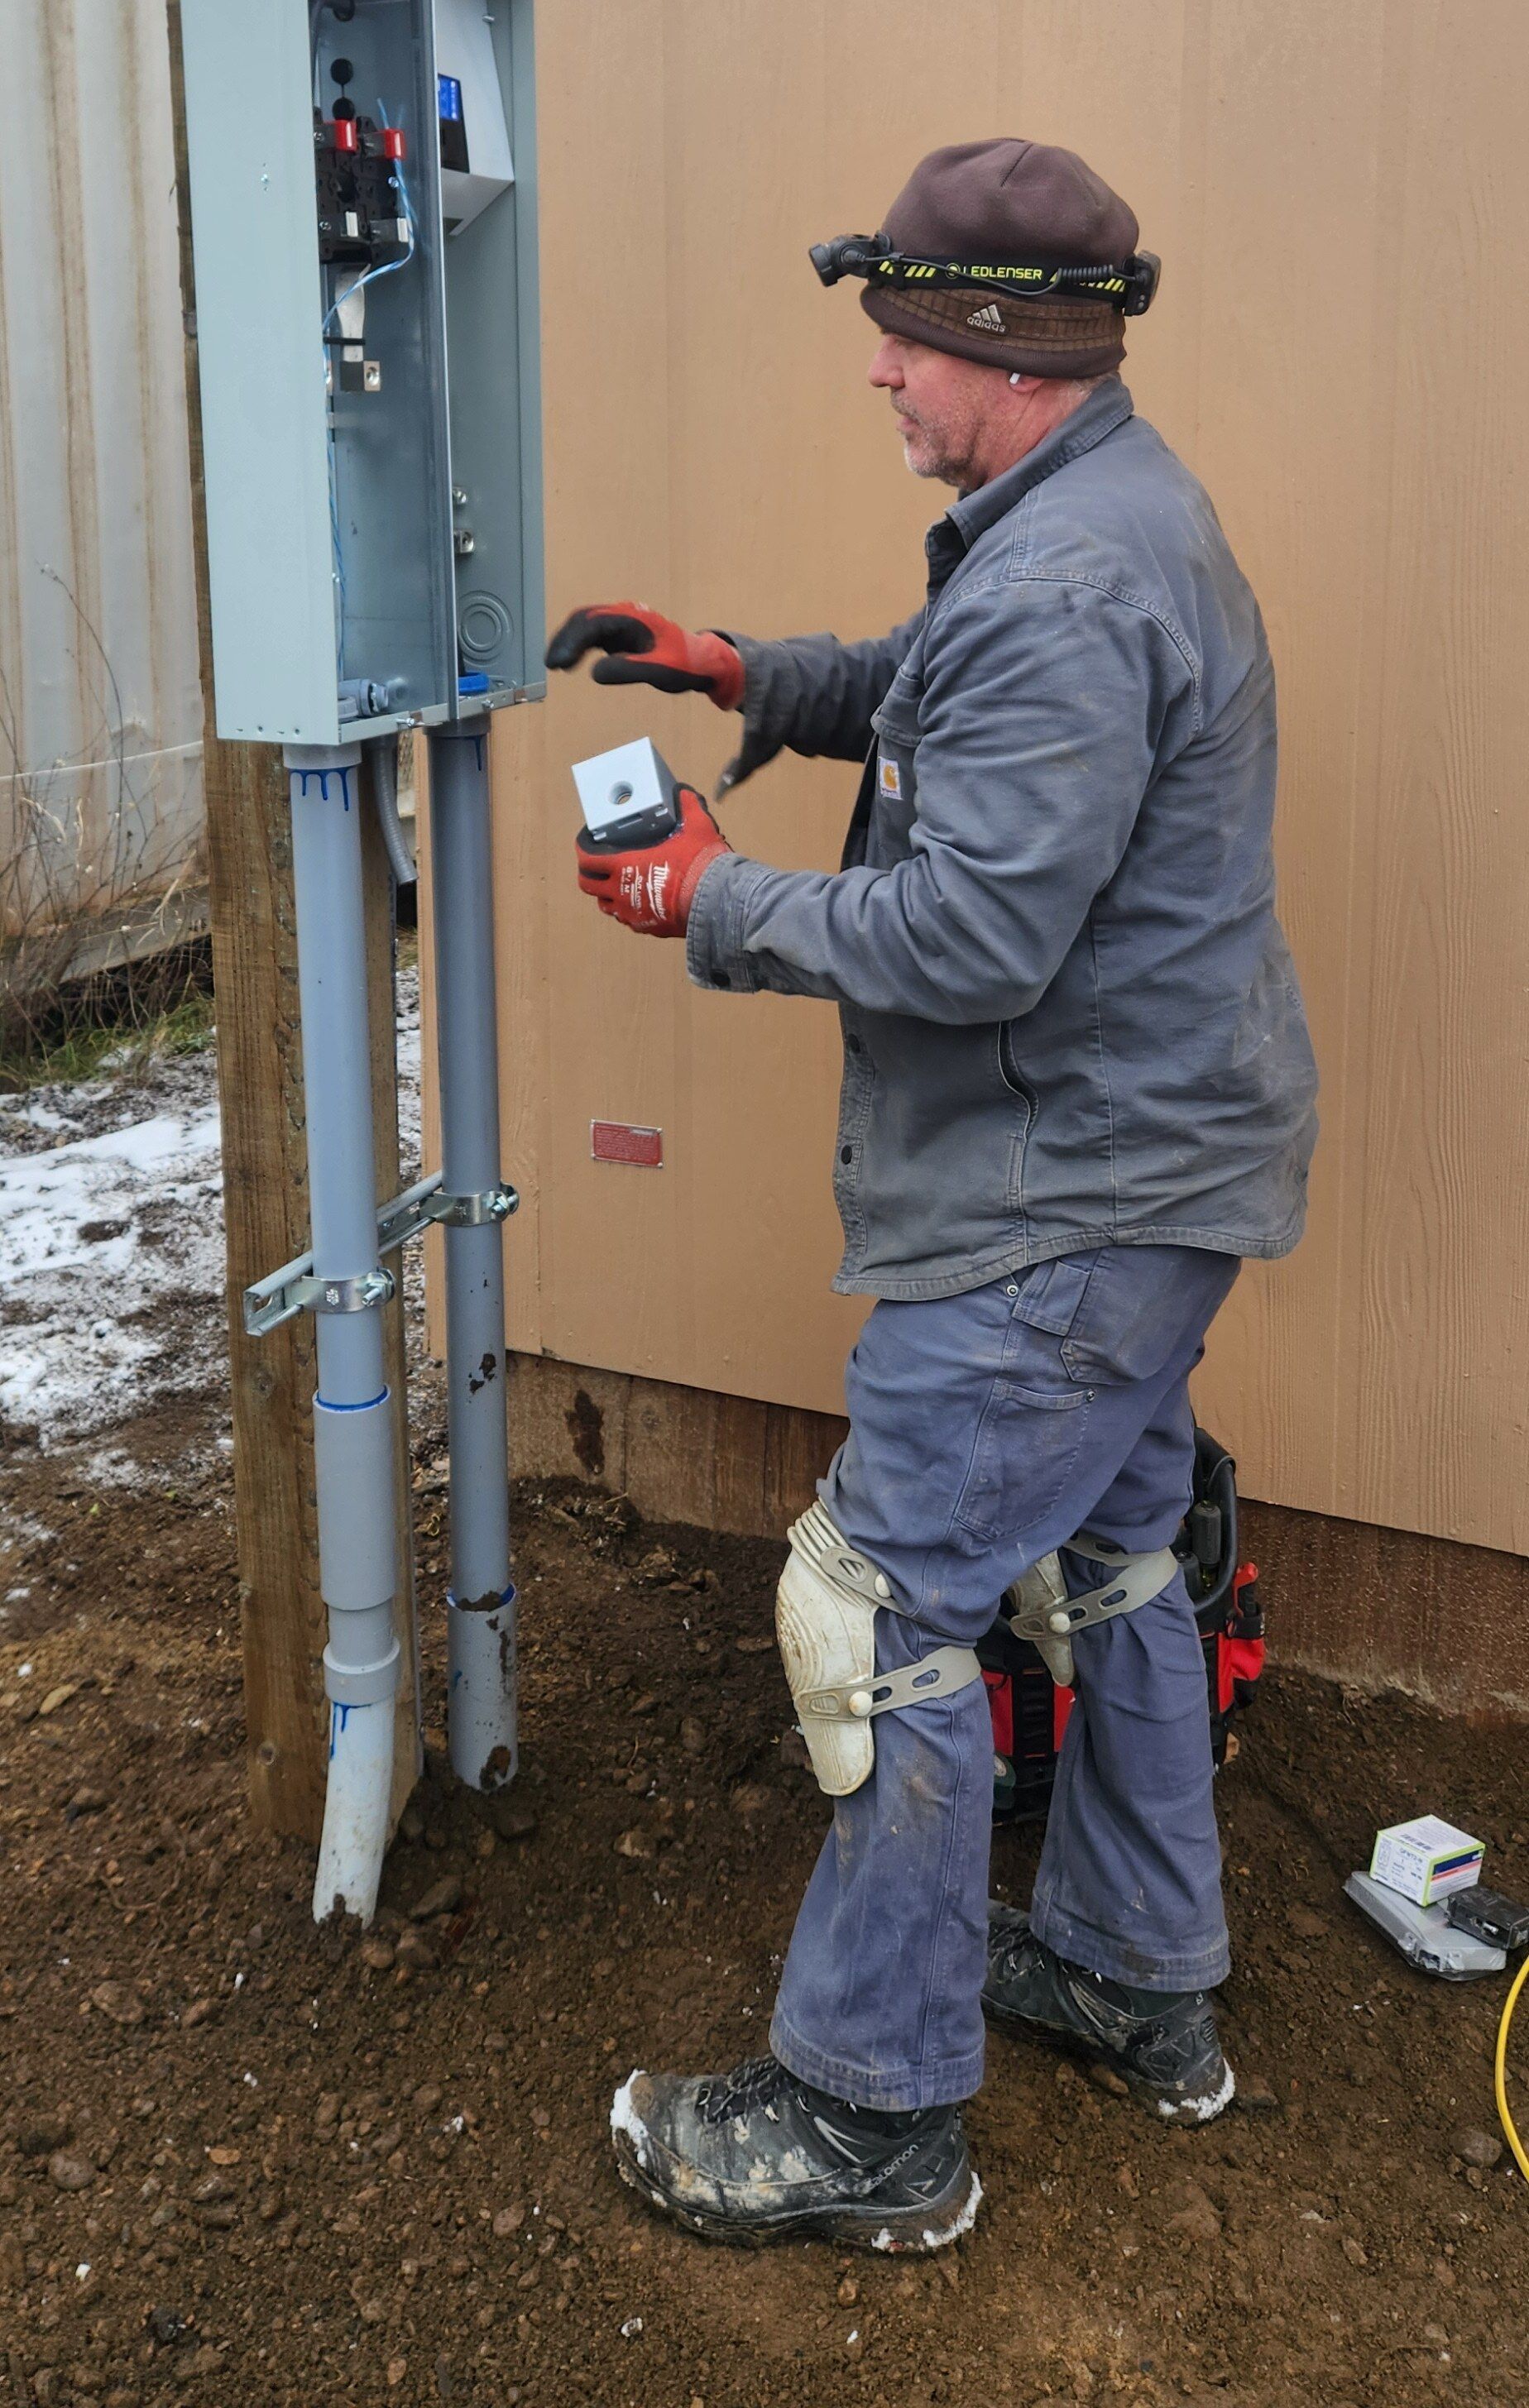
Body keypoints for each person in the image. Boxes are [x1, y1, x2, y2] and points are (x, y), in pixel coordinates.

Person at [548, 137, 1316, 2254]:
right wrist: (750, 674)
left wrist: (711, 893)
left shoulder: (1072, 576)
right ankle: (1139, 1973)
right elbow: (940, 686)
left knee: (878, 1611)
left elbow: (975, 933)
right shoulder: (1090, 517)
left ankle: (874, 2116)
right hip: (1156, 1174)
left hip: (1062, 1200)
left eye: (899, 335)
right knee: (1120, 1559)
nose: (876, 372)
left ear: (999, 344)